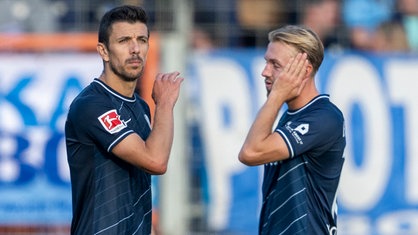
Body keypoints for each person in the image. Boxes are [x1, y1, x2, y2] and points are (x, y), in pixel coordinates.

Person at [65, 5, 184, 235]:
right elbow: (156, 161)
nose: (135, 49)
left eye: (141, 39)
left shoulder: (140, 106)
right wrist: (166, 103)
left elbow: (140, 180)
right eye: (124, 41)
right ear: (104, 51)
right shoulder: (92, 105)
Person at [238, 25, 346, 234]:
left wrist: (277, 95)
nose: (265, 72)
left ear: (304, 71)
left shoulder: (324, 117)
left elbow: (250, 153)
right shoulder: (290, 116)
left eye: (275, 64)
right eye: (266, 62)